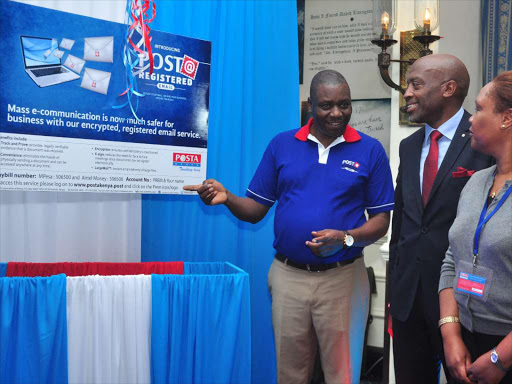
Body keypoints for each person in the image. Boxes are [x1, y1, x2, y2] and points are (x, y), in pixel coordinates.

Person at [184, 70, 394, 384]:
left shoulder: (370, 150)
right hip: (288, 278)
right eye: (326, 105)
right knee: (290, 373)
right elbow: (255, 210)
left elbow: (381, 221)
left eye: (344, 104)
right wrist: (227, 198)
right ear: (311, 105)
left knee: (342, 374)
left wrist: (347, 238)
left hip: (343, 278)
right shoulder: (282, 145)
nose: (337, 113)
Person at [389, 54, 494, 384]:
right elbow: (403, 222)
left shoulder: (483, 141)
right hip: (408, 300)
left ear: (449, 88)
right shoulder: (409, 146)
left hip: (463, 302)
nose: (406, 93)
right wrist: (394, 289)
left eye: (415, 85)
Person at [438, 70, 512, 384]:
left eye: (480, 109)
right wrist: (450, 331)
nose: (470, 118)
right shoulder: (476, 183)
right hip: (465, 342)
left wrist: (499, 360)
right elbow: (452, 260)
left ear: (507, 118)